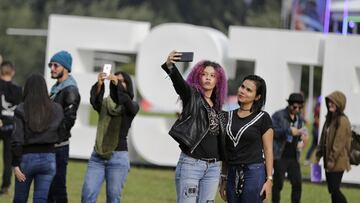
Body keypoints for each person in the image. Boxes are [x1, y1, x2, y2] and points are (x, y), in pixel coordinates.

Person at [161, 50, 228, 203]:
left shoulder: (219, 109)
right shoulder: (192, 96)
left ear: (218, 81)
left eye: (213, 76)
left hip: (213, 168)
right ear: (198, 76)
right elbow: (179, 84)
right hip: (192, 164)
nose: (208, 78)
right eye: (205, 74)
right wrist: (170, 66)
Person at [81, 70, 139, 203]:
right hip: (97, 157)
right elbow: (95, 102)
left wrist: (116, 84)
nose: (117, 82)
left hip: (118, 158)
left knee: (113, 198)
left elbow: (124, 100)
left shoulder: (132, 106)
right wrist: (99, 85)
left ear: (128, 85)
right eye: (115, 79)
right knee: (87, 195)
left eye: (122, 81)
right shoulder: (106, 104)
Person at [219, 75, 274, 203]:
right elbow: (226, 149)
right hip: (232, 173)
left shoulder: (263, 118)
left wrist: (269, 180)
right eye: (242, 87)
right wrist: (223, 177)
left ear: (257, 97)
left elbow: (268, 150)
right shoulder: (228, 116)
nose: (243, 91)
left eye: (249, 90)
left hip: (254, 173)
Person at [11, 74, 64, 203]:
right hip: (49, 158)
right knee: (41, 199)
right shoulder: (57, 108)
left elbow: (17, 139)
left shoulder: (21, 109)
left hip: (26, 158)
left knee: (20, 198)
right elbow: (61, 134)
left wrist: (15, 164)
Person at [47, 50, 81, 203]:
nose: (52, 68)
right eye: (51, 65)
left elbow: (68, 121)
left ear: (66, 68)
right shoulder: (56, 89)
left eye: (56, 65)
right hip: (49, 144)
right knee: (48, 187)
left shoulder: (70, 90)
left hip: (59, 146)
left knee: (58, 188)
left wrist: (52, 138)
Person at [316, 91, 351, 203]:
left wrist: (331, 161)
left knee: (334, 190)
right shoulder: (329, 118)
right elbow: (322, 139)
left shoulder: (342, 120)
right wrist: (318, 156)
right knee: (332, 190)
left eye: (333, 102)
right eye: (329, 101)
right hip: (329, 161)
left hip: (337, 161)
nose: (330, 104)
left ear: (339, 103)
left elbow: (338, 143)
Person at [271, 93, 307, 203]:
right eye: (295, 107)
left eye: (300, 107)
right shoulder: (278, 115)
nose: (297, 109)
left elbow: (301, 132)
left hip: (294, 156)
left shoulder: (300, 118)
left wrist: (302, 139)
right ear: (289, 104)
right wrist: (288, 131)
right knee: (278, 185)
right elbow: (272, 132)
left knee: (297, 183)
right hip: (280, 155)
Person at [0, 61, 22, 195]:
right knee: (8, 159)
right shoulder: (18, 89)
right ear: (13, 72)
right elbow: (20, 109)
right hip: (11, 126)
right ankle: (5, 187)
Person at [304, 96, 321, 165]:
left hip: (316, 129)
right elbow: (316, 119)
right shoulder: (318, 108)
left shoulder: (317, 107)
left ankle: (308, 159)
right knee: (316, 146)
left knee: (314, 146)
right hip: (316, 129)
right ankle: (311, 160)